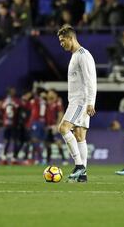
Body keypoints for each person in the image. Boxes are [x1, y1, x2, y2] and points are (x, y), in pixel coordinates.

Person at [57, 26, 97, 182]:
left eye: (62, 41)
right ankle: (83, 175)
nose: (61, 44)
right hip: (77, 100)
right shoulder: (75, 56)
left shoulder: (83, 55)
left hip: (80, 101)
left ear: (71, 38)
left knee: (63, 128)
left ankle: (79, 166)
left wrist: (90, 102)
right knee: (80, 136)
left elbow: (90, 80)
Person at [45, 89, 68, 165]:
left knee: (58, 142)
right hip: (48, 126)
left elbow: (60, 113)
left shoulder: (58, 102)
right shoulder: (48, 103)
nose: (49, 94)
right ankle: (48, 160)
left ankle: (64, 160)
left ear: (55, 94)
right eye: (48, 93)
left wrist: (58, 125)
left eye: (50, 93)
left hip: (55, 126)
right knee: (47, 143)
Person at [1, 87, 20, 165]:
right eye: (12, 91)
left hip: (13, 124)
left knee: (14, 141)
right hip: (8, 124)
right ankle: (4, 158)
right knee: (7, 141)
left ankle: (13, 158)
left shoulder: (11, 100)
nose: (13, 92)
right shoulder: (9, 100)